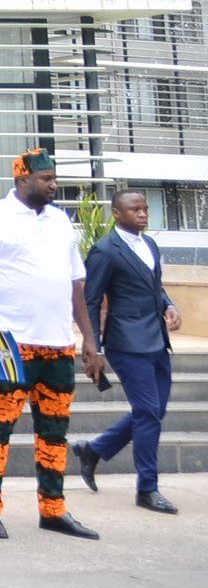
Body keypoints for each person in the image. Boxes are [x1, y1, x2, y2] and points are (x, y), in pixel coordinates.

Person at [0, 148, 102, 540]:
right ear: (23, 180)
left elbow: (76, 284)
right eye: (47, 180)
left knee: (54, 432)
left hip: (58, 344)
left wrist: (89, 339)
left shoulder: (61, 221)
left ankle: (53, 508)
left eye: (54, 178)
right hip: (11, 343)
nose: (54, 185)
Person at [75, 189, 183, 515]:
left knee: (153, 411)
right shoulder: (105, 251)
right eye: (135, 209)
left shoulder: (149, 244)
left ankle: (93, 450)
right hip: (125, 344)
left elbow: (155, 286)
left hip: (156, 340)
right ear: (117, 214)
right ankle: (147, 489)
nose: (143, 213)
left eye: (145, 208)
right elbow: (90, 301)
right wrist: (94, 346)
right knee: (148, 412)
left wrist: (170, 305)